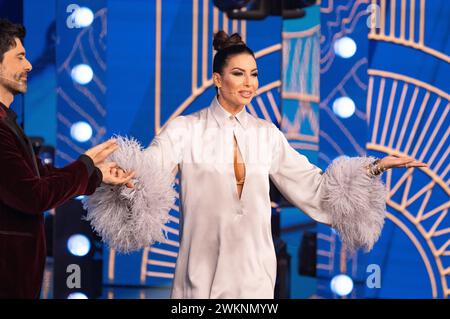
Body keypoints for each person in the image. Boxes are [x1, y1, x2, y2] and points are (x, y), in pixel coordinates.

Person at [85, 31, 427, 299]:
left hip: (256, 274)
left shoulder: (267, 134)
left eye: (254, 74)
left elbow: (316, 187)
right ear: (218, 80)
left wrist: (375, 167)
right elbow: (150, 168)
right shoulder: (184, 129)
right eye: (238, 73)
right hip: (200, 273)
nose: (249, 83)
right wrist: (123, 174)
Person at [0, 19, 134, 298]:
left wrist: (95, 173)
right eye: (20, 57)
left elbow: (41, 180)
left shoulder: (7, 122)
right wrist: (85, 165)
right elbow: (33, 194)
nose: (29, 65)